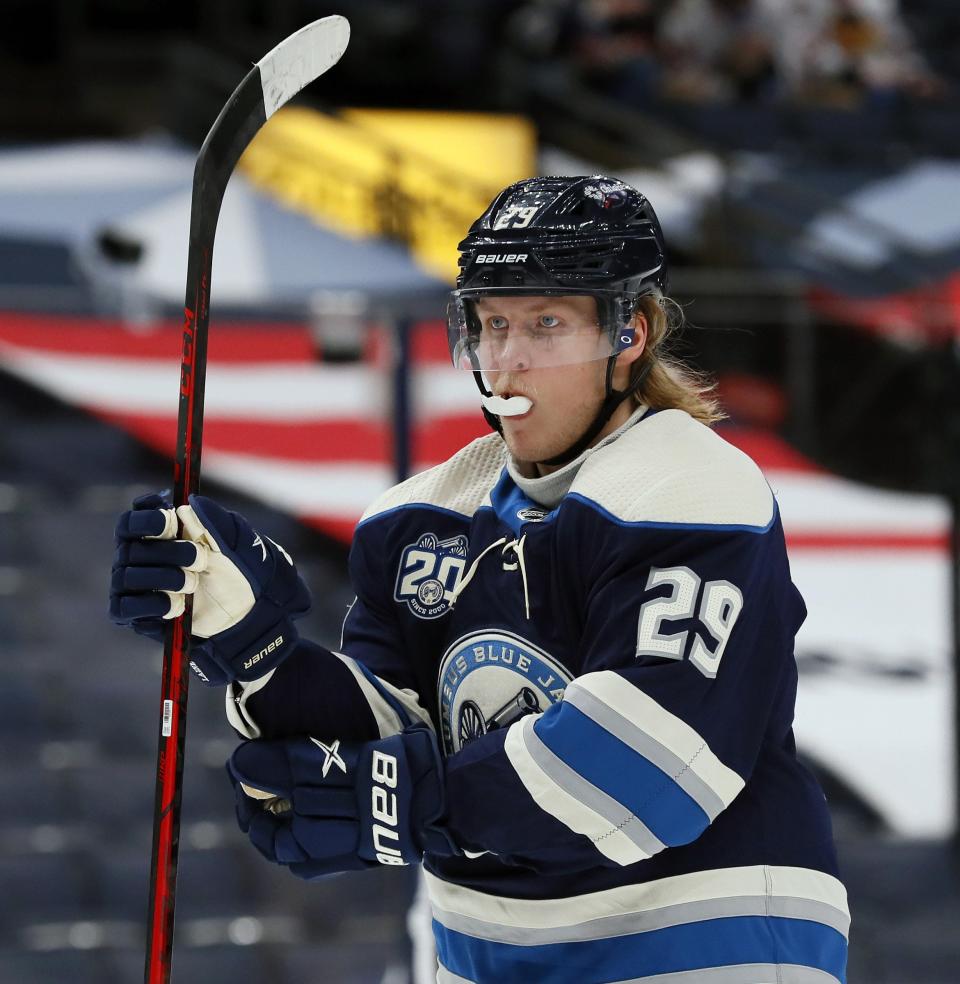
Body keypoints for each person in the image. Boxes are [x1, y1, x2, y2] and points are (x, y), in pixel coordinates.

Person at [111, 175, 850, 983]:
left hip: (703, 939)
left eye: (547, 322)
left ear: (629, 333)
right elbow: (395, 738)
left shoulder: (689, 484)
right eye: (492, 324)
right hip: (486, 953)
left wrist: (404, 799)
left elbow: (650, 766)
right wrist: (251, 646)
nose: (509, 357)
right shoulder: (419, 514)